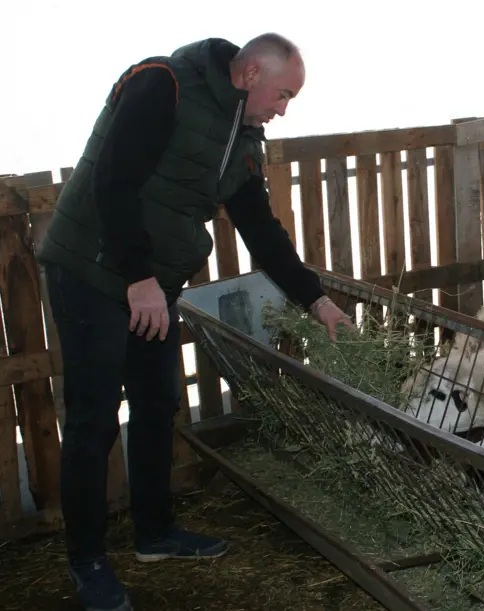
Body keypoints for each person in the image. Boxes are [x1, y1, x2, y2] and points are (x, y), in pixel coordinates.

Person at [36, 33, 354, 611]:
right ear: (251, 71)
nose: (284, 109)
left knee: (158, 403)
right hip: (92, 270)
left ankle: (155, 534)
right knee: (93, 419)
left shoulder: (243, 135)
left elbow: (261, 227)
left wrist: (317, 301)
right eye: (283, 94)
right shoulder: (164, 83)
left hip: (148, 285)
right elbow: (114, 180)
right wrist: (136, 278)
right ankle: (88, 562)